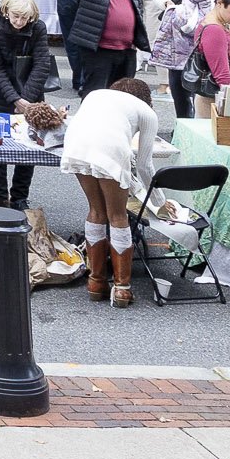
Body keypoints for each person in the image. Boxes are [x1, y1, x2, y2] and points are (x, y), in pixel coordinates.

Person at [59, 78, 161, 307]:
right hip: (111, 147)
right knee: (117, 216)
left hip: (76, 145)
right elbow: (145, 166)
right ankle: (122, 288)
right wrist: (159, 202)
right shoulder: (147, 112)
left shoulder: (97, 95)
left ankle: (96, 282)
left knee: (96, 210)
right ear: (147, 99)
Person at [0, 0, 57, 206]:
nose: (19, 21)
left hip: (30, 89)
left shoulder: (38, 27)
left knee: (30, 144)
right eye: (15, 16)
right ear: (6, 11)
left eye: (24, 17)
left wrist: (26, 98)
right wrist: (15, 99)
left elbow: (42, 64)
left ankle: (20, 196)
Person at [62, 0, 146, 96]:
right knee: (95, 97)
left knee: (123, 98)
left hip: (126, 50)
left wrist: (136, 39)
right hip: (98, 50)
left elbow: (137, 6)